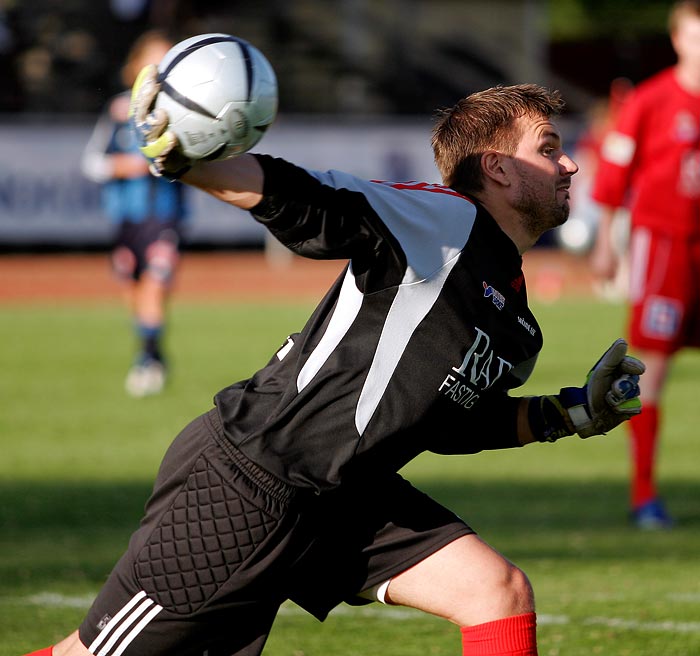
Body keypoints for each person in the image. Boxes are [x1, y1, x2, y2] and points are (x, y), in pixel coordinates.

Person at [25, 78, 645, 656]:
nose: (571, 164)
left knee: (497, 593)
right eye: (550, 148)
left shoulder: (515, 320)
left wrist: (570, 413)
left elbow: (450, 425)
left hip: (347, 495)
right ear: (498, 167)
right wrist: (191, 162)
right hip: (252, 478)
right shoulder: (444, 221)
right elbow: (318, 206)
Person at [590, 0, 700, 529]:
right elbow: (613, 175)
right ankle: (644, 496)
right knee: (653, 366)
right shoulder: (650, 100)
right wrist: (607, 242)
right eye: (695, 36)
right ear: (678, 39)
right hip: (666, 245)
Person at [81, 30, 188, 397]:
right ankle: (152, 350)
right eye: (151, 63)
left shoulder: (184, 114)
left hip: (164, 217)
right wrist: (124, 166)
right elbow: (93, 163)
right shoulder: (118, 110)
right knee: (132, 288)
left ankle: (148, 360)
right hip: (125, 217)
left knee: (156, 286)